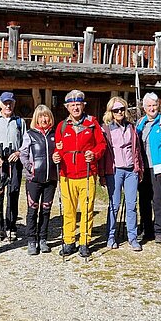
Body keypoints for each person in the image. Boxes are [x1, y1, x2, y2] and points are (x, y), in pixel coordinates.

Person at [53, 90, 106, 257]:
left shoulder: (92, 124)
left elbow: (101, 145)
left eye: (78, 104)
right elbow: (58, 148)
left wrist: (94, 154)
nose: (75, 108)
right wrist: (55, 155)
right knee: (69, 210)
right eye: (72, 105)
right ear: (67, 107)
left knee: (87, 209)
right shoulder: (62, 126)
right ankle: (69, 241)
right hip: (67, 175)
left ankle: (84, 241)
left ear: (84, 105)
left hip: (87, 173)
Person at [99, 97, 144, 251]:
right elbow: (103, 153)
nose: (119, 112)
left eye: (121, 109)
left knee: (131, 205)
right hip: (114, 170)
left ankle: (132, 237)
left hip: (131, 170)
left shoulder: (132, 128)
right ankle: (111, 237)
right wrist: (102, 174)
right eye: (115, 110)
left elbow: (137, 149)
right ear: (110, 111)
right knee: (114, 205)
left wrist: (140, 169)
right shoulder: (105, 129)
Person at [136, 92, 161, 244]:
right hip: (143, 168)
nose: (152, 108)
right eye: (149, 106)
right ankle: (147, 230)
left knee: (158, 200)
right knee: (144, 200)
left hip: (158, 168)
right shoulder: (140, 123)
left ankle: (160, 230)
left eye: (154, 105)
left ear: (158, 106)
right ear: (144, 107)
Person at [0, 91, 26, 240]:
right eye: (5, 103)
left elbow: (25, 143)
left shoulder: (20, 122)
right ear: (0, 104)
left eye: (10, 103)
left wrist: (19, 153)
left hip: (14, 162)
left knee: (13, 194)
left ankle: (11, 226)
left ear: (14, 104)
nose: (8, 105)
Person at [20, 104, 58, 256]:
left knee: (46, 210)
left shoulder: (55, 134)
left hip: (51, 179)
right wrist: (30, 167)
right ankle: (31, 240)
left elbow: (59, 153)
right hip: (34, 179)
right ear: (36, 118)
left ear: (50, 118)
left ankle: (43, 239)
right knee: (32, 210)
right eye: (41, 116)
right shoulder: (30, 134)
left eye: (46, 116)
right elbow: (22, 153)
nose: (44, 119)